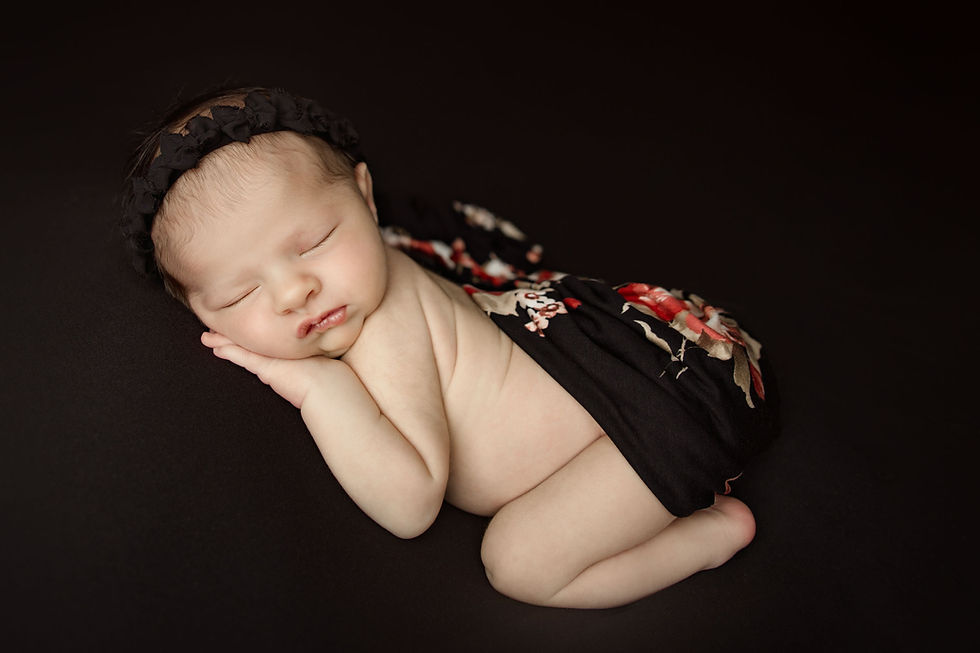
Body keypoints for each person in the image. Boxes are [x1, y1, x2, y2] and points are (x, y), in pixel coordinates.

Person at [120, 85, 781, 609]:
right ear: (197, 312)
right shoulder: (370, 276)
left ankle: (713, 535)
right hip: (629, 391)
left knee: (520, 561)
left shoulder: (387, 324)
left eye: (316, 240)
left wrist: (322, 388)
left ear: (364, 196)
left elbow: (411, 503)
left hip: (655, 407)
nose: (295, 291)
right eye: (239, 296)